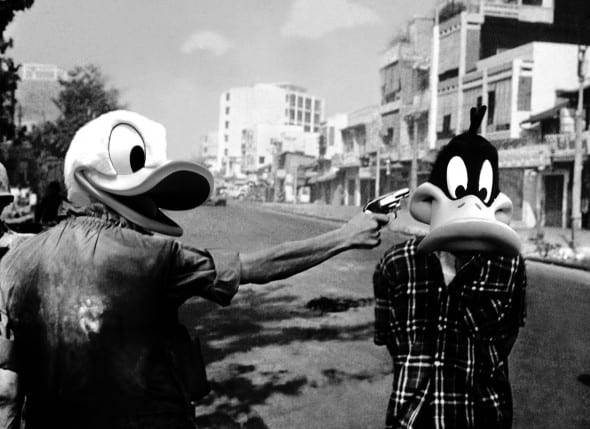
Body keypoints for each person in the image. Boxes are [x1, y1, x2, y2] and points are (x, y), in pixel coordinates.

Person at [0, 110, 389, 429]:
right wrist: (345, 236)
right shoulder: (154, 257)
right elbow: (260, 266)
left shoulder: (16, 261)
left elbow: (8, 388)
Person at [373, 106, 527, 429]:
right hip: (411, 419)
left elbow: (507, 338)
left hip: (481, 418)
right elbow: (389, 339)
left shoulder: (509, 266)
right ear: (431, 200)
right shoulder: (395, 265)